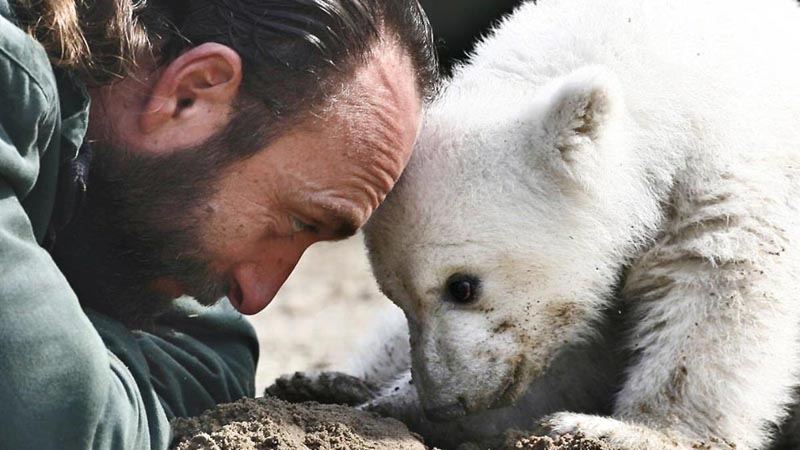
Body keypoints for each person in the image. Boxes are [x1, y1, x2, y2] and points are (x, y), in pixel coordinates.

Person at [0, 0, 437, 448]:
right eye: (293, 222)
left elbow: (207, 366)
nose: (254, 297)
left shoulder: (134, 199)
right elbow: (60, 419)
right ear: (192, 93)